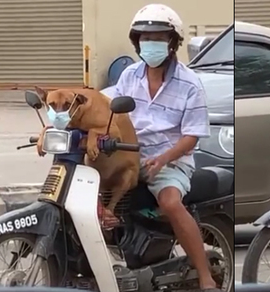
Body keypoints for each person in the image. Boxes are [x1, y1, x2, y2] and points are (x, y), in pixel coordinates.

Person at [109, 4, 217, 291]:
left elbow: (191, 137)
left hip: (171, 162)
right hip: (130, 157)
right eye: (145, 38)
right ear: (136, 42)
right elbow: (111, 114)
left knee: (169, 202)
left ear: (172, 43)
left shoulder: (190, 84)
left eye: (158, 38)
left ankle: (206, 277)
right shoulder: (129, 76)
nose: (150, 43)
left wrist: (162, 159)